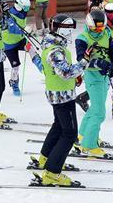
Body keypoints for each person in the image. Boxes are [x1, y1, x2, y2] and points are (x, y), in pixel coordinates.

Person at [32, 14, 88, 186]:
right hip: (62, 96)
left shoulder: (52, 45)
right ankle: (52, 172)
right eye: (69, 30)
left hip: (58, 93)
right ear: (62, 30)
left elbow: (58, 71)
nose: (71, 33)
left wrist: (75, 77)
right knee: (70, 134)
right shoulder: (55, 50)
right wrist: (84, 61)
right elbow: (64, 73)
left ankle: (46, 158)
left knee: (58, 126)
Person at [75, 8, 113, 157]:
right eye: (95, 28)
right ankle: (89, 146)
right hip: (93, 77)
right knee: (99, 112)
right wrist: (98, 63)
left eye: (101, 27)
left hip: (105, 77)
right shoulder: (82, 38)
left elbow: (112, 51)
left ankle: (82, 136)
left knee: (95, 109)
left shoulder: (106, 33)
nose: (99, 31)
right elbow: (80, 60)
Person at [2, 0, 33, 96]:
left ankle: (40, 65)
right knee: (15, 66)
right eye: (25, 8)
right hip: (9, 44)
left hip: (20, 39)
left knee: (30, 47)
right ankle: (14, 84)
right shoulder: (9, 15)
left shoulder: (21, 14)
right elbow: (12, 29)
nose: (27, 10)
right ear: (19, 6)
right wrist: (24, 31)